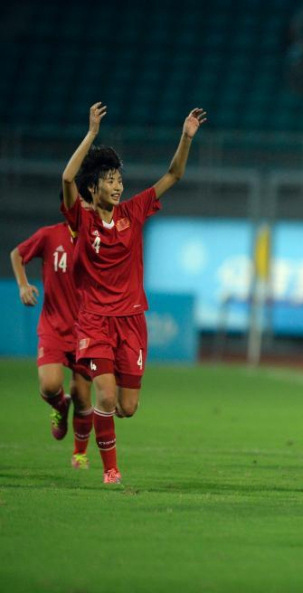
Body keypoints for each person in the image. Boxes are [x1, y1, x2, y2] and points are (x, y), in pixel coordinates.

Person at [61, 102, 206, 484]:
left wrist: (185, 137)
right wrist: (92, 134)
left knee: (127, 407)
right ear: (94, 186)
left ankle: (96, 427)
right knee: (105, 398)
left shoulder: (133, 211)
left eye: (119, 178)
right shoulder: (82, 217)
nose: (117, 184)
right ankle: (111, 471)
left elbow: (174, 174)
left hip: (132, 321)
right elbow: (66, 178)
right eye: (109, 179)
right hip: (95, 321)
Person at [11, 196, 94, 469]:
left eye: (88, 203)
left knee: (83, 396)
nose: (85, 207)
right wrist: (23, 285)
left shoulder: (97, 240)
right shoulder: (49, 235)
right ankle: (59, 406)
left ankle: (79, 454)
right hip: (53, 327)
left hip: (87, 331)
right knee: (49, 385)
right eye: (80, 202)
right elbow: (17, 254)